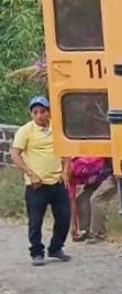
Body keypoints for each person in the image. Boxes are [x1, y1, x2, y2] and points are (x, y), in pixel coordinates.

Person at [11, 96, 72, 266]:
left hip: (57, 181)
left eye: (42, 111)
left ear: (48, 112)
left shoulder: (57, 128)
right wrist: (31, 174)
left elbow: (67, 149)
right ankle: (37, 252)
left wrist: (66, 170)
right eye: (35, 112)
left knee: (64, 217)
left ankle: (56, 247)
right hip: (37, 185)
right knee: (36, 220)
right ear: (31, 114)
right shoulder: (26, 131)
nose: (39, 115)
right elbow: (15, 155)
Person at [70, 156, 116, 242]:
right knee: (81, 198)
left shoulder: (84, 162)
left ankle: (98, 233)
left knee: (96, 199)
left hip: (110, 175)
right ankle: (85, 230)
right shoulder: (69, 178)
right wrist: (73, 225)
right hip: (96, 181)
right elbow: (72, 200)